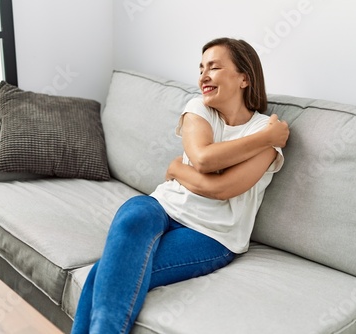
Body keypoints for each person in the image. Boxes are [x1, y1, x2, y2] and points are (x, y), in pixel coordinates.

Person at [71, 37, 289, 334]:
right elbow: (202, 159)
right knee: (132, 220)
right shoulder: (202, 109)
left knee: (106, 272)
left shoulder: (265, 128)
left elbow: (222, 189)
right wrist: (265, 141)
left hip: (212, 234)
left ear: (244, 78)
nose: (203, 76)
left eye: (214, 67)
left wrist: (177, 169)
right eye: (201, 69)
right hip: (162, 206)